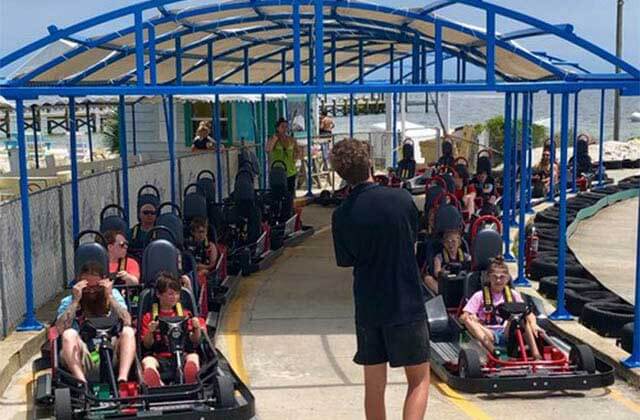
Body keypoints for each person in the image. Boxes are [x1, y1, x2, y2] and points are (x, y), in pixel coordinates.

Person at [330, 138, 429, 420]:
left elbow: (345, 260)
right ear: (371, 163)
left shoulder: (342, 214)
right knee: (419, 380)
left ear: (342, 176)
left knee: (374, 388)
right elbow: (413, 238)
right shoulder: (400, 199)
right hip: (405, 300)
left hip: (369, 305)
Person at [55, 262, 135, 384]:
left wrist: (109, 296)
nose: (92, 292)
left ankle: (122, 379)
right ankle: (81, 382)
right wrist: (76, 301)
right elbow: (60, 329)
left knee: (128, 332)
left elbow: (127, 321)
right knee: (69, 334)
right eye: (88, 288)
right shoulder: (69, 301)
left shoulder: (113, 296)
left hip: (111, 349)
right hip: (83, 354)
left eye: (96, 287)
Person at [460, 256, 542, 359]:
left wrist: (534, 325)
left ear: (507, 279)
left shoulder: (513, 295)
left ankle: (536, 355)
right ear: (489, 277)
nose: (498, 280)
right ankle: (494, 351)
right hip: (487, 333)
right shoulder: (479, 295)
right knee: (468, 320)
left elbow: (528, 313)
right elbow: (463, 317)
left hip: (508, 332)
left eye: (502, 277)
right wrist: (472, 317)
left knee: (523, 319)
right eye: (495, 277)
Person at [140, 272, 205, 387]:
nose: (174, 297)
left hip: (183, 354)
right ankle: (157, 386)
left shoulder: (185, 314)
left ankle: (191, 383)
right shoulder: (149, 317)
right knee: (148, 362)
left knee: (193, 357)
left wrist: (196, 328)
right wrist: (150, 331)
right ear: (159, 294)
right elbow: (147, 345)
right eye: (170, 294)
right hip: (159, 356)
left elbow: (195, 341)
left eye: (177, 294)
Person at [423, 229, 471, 293]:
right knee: (428, 279)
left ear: (459, 242)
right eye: (447, 242)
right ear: (444, 243)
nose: (450, 245)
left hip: (460, 283)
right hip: (445, 284)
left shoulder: (466, 256)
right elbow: (436, 272)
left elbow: (471, 269)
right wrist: (442, 272)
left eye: (453, 241)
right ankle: (443, 295)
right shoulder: (439, 257)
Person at [266, 118, 302, 200]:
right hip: (278, 170)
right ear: (277, 128)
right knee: (277, 195)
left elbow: (298, 151)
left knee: (290, 194)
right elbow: (268, 149)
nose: (284, 129)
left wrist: (295, 158)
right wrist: (275, 139)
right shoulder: (273, 139)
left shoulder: (291, 139)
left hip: (290, 170)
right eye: (282, 127)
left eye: (286, 127)